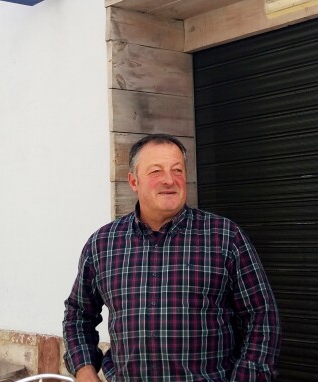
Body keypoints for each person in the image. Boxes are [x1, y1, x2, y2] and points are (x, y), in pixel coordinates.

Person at [63, 133, 281, 381]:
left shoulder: (224, 237)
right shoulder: (103, 244)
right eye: (156, 171)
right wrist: (84, 370)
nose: (169, 180)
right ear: (134, 182)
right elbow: (78, 313)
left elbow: (262, 316)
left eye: (177, 170)